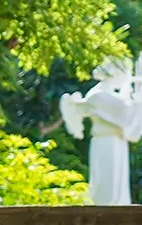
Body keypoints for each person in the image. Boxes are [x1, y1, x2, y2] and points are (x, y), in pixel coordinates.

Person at [59, 56, 142, 205]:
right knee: (107, 183)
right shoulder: (98, 96)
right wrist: (137, 99)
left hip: (116, 141)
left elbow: (125, 108)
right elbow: (125, 111)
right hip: (106, 141)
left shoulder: (106, 95)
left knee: (117, 183)